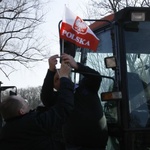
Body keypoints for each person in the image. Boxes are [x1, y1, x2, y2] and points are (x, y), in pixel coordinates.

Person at [0, 61, 74, 150]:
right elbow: (63, 108)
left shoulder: (5, 134)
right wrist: (64, 78)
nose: (27, 102)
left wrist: (51, 71)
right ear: (21, 111)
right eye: (24, 102)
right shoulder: (33, 123)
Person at [41, 53, 108, 150]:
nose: (61, 78)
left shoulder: (85, 86)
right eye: (56, 79)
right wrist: (51, 70)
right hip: (75, 147)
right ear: (54, 87)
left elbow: (96, 77)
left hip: (99, 144)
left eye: (62, 75)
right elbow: (45, 97)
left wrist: (76, 65)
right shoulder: (58, 99)